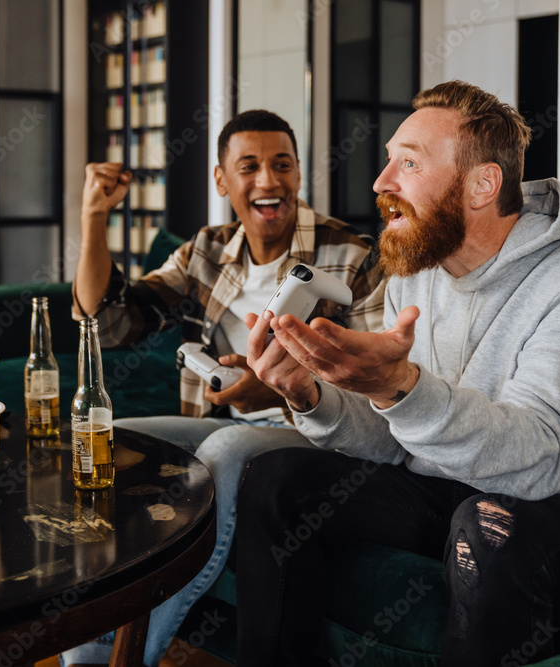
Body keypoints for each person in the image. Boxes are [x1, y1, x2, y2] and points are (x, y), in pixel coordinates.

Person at [238, 81, 560, 666]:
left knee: (489, 528)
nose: (381, 182)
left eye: (408, 163)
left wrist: (401, 388)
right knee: (277, 478)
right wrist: (310, 393)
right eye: (389, 159)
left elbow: (539, 462)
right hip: (456, 491)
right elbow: (397, 442)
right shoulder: (417, 274)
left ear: (482, 185)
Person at [64, 109, 384, 666]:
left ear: (299, 175)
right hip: (219, 417)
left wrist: (281, 390)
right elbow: (110, 322)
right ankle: (84, 650)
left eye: (282, 165)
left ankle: (126, 660)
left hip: (311, 437)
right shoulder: (207, 252)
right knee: (102, 435)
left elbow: (377, 392)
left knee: (225, 450)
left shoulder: (352, 257)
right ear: (221, 181)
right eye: (250, 166)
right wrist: (94, 217)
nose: (268, 181)